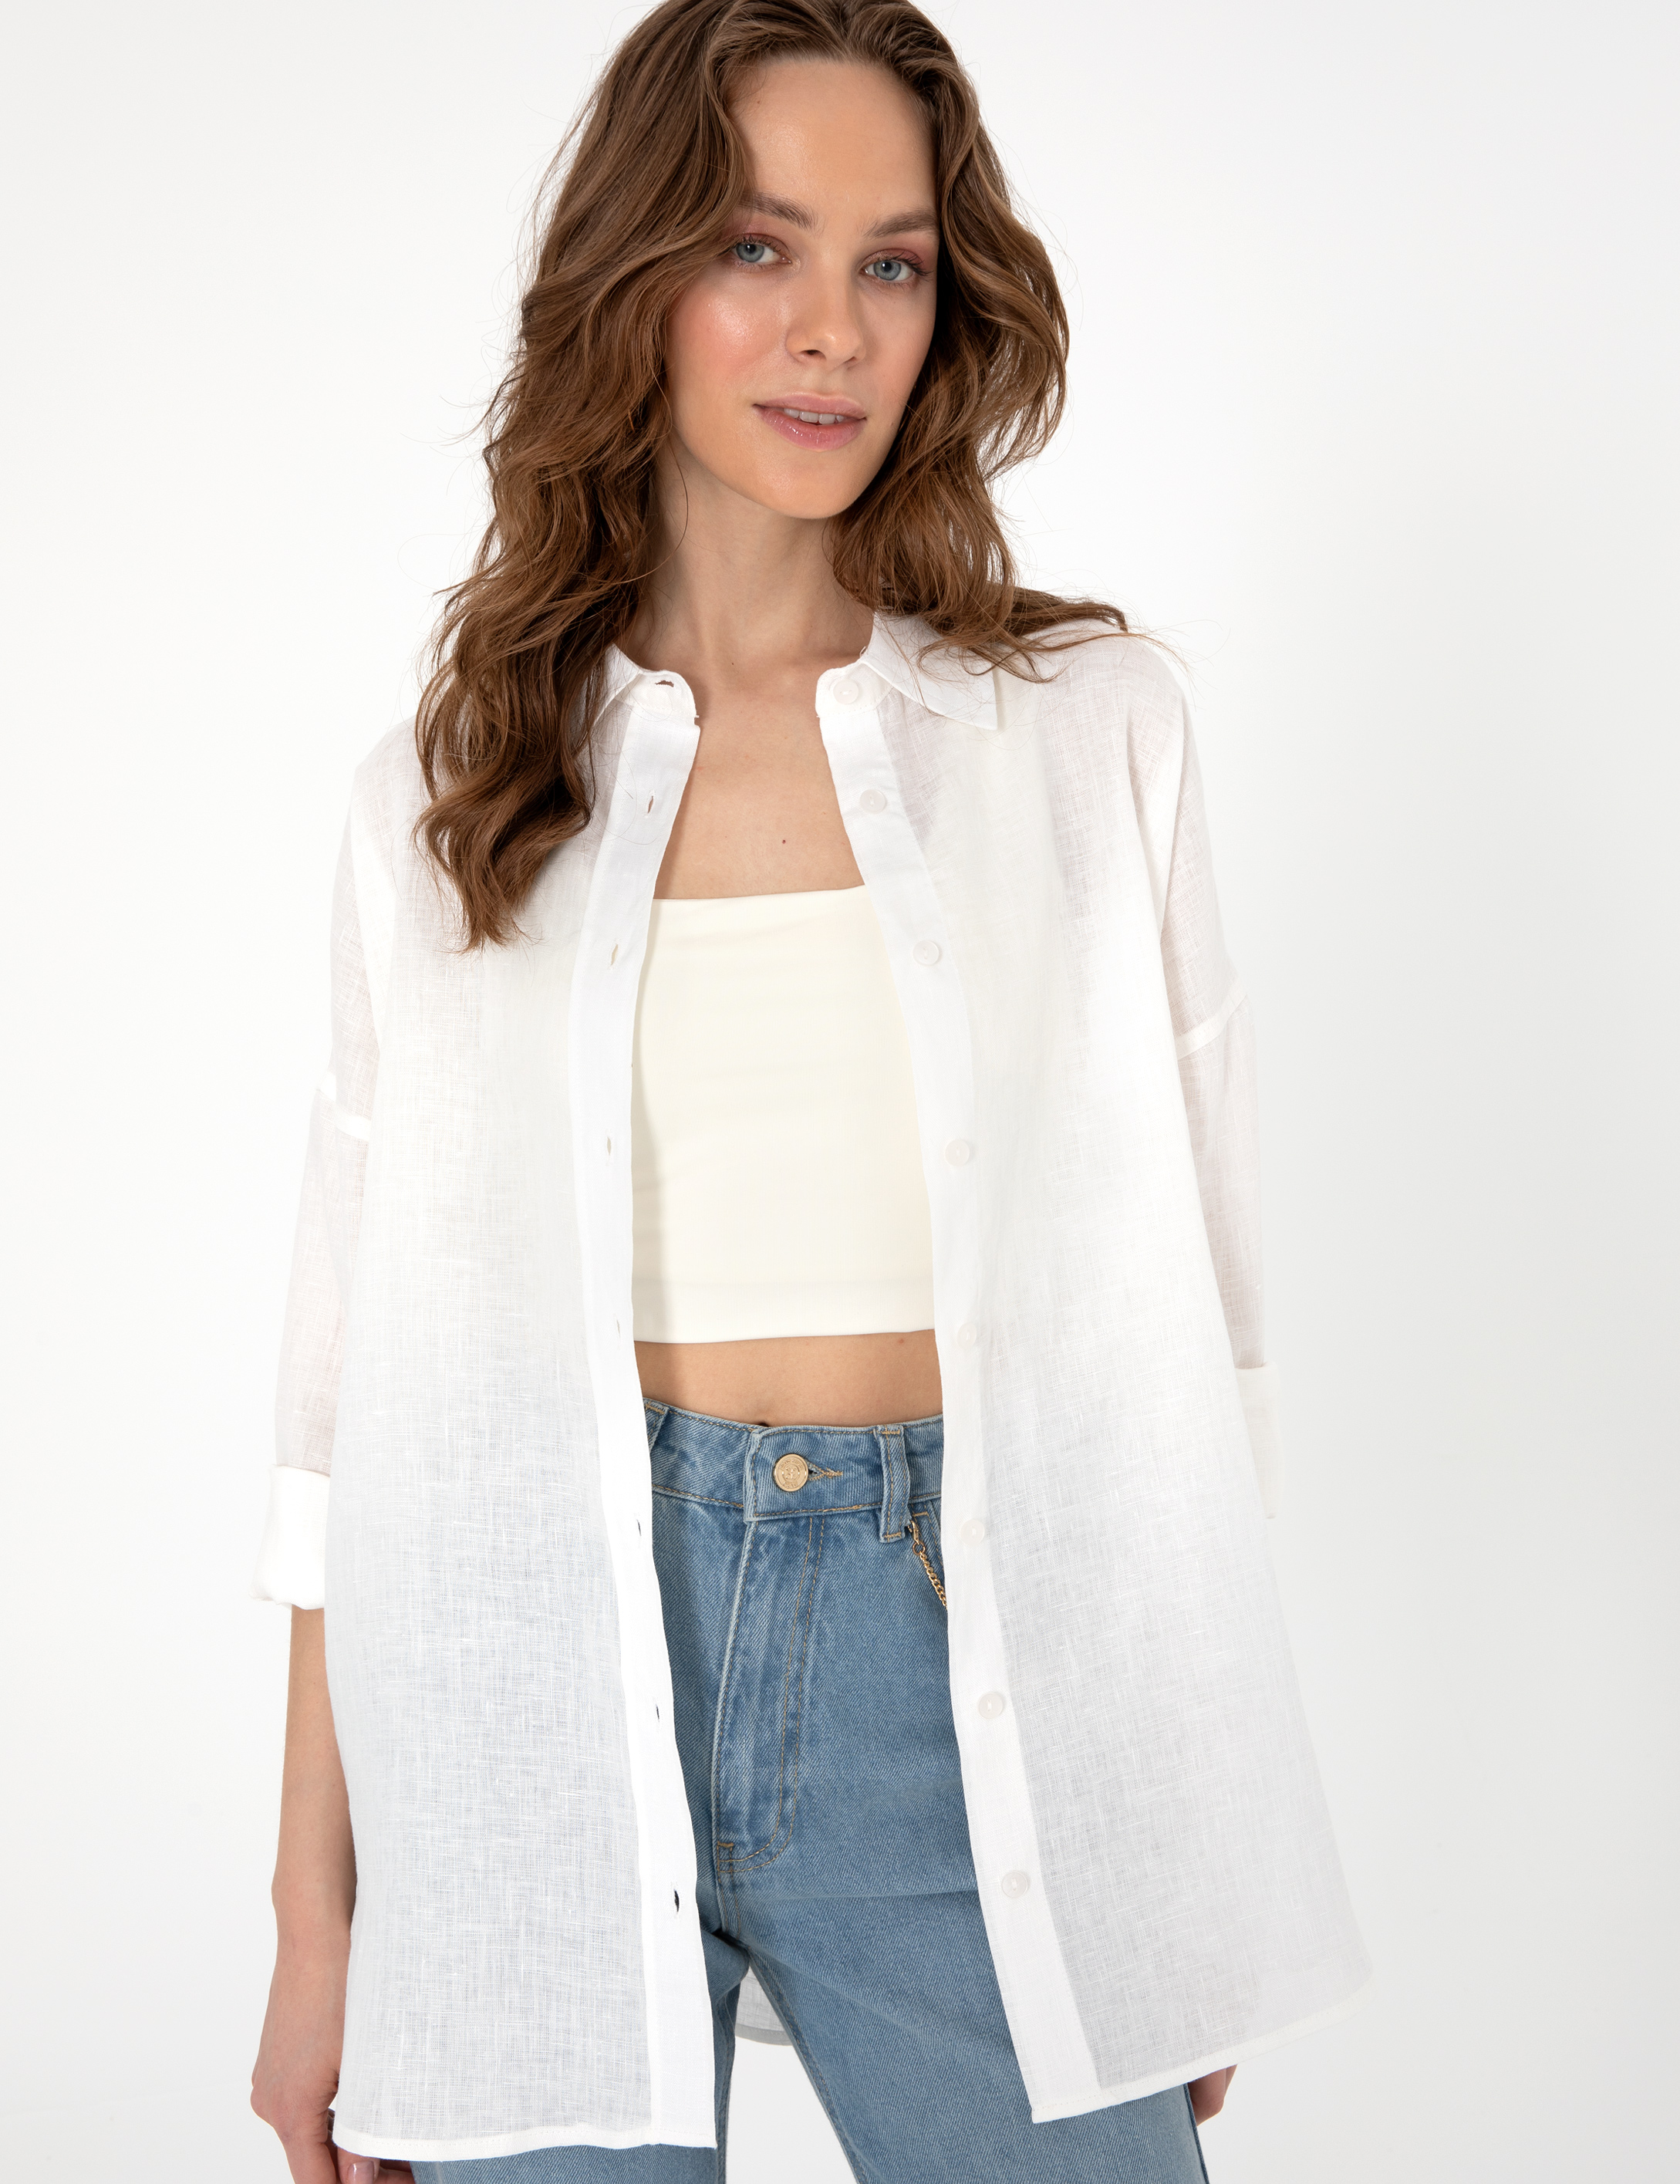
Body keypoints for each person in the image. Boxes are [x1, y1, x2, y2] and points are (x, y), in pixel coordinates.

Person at [249, 2, 1371, 2178]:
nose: (831, 329)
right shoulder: (457, 795)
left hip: (970, 1688)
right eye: (757, 247)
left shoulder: (1085, 737)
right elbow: (350, 1413)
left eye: (892, 262)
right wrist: (316, 1927)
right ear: (634, 279)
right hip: (531, 1698)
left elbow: (1193, 1340)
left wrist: (1170, 1848)